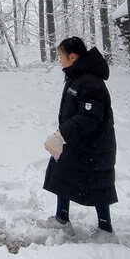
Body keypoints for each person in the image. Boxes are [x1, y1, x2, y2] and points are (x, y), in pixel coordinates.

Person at [42, 36, 118, 243]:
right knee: (62, 175)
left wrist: (61, 134)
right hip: (77, 141)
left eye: (60, 56)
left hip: (94, 145)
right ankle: (62, 220)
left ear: (72, 57)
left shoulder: (91, 81)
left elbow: (89, 116)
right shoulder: (77, 77)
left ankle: (106, 229)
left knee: (98, 184)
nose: (59, 60)